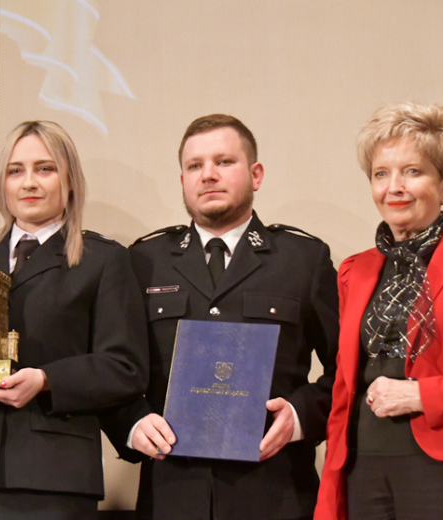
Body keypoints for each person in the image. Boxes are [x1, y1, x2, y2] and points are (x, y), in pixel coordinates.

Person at [101, 114, 339, 520]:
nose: (208, 175)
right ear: (182, 181)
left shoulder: (303, 259)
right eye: (195, 166)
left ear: (256, 173)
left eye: (224, 162)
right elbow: (111, 366)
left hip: (275, 490)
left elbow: (347, 369)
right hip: (173, 491)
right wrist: (132, 422)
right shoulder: (144, 261)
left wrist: (300, 415)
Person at [0, 120, 148, 520]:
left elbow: (124, 367)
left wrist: (46, 380)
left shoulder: (103, 260)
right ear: (1, 184)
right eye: (15, 170)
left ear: (70, 180)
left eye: (45, 169)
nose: (29, 182)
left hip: (55, 473)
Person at [314, 102, 443, 520]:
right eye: (381, 174)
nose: (394, 186)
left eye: (413, 171)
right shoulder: (354, 271)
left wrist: (423, 395)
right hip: (361, 468)